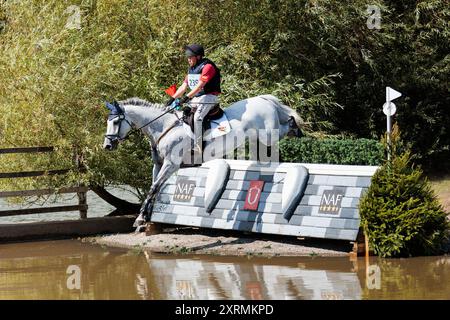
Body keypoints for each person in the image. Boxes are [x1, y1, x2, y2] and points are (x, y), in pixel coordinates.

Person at [166, 44, 221, 153]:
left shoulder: (207, 67)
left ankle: (199, 146)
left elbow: (200, 85)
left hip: (209, 97)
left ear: (198, 57)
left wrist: (186, 97)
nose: (188, 60)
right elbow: (183, 86)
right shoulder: (192, 69)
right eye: (188, 57)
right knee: (183, 113)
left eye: (190, 57)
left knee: (197, 118)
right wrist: (172, 99)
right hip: (198, 97)